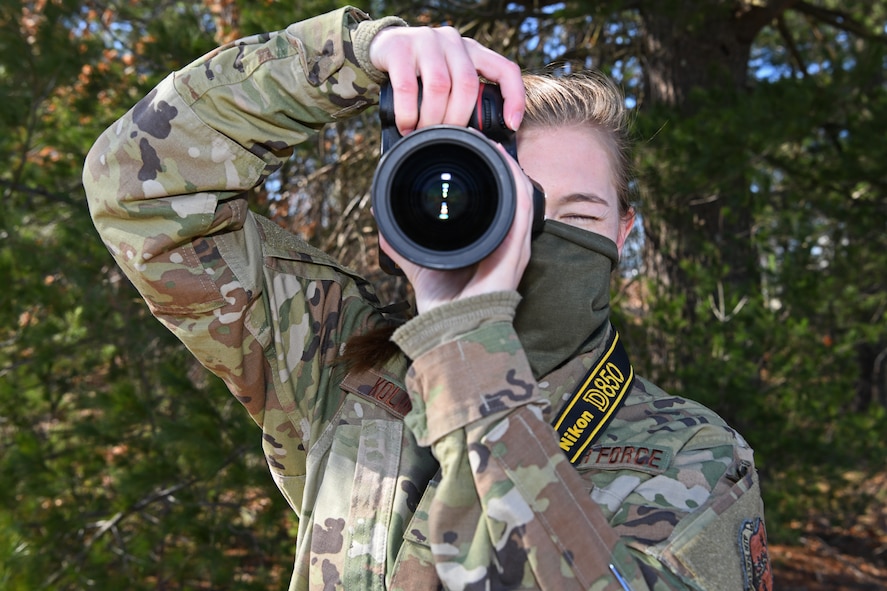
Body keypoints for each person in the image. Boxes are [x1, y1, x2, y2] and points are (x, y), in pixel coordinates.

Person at [83, 6, 772, 591]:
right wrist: (349, 58)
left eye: (578, 215)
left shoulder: (695, 456)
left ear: (624, 232)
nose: (533, 240)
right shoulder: (341, 365)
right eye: (515, 204)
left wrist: (469, 347)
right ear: (448, 198)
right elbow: (138, 190)